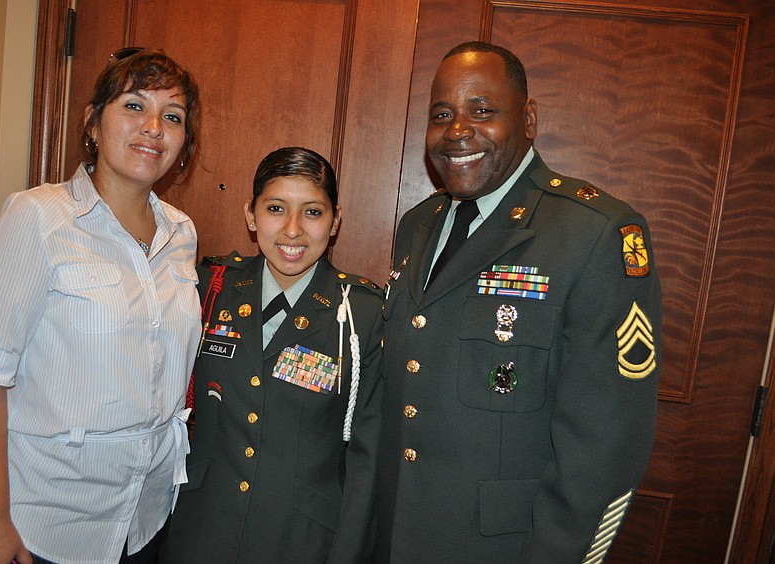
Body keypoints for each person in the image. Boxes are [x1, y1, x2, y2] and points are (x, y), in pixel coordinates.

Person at [375, 41, 662, 562]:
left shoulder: (592, 234)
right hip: (394, 536)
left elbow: (604, 449)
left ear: (528, 118)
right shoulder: (418, 225)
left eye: (482, 111)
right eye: (442, 114)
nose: (458, 130)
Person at [0, 48, 202, 564]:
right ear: (92, 123)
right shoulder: (38, 217)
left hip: (147, 515)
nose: (153, 127)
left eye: (172, 116)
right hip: (48, 525)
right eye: (134, 106)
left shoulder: (181, 232)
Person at [161, 147, 383, 563]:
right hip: (200, 531)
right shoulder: (211, 288)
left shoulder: (360, 314)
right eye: (276, 208)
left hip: (301, 539)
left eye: (313, 212)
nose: (293, 230)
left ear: (335, 221)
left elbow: (367, 461)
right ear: (251, 215)